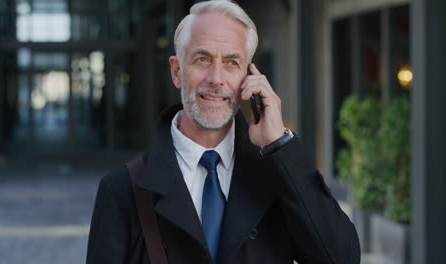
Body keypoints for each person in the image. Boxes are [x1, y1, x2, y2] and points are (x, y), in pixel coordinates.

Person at [86, 0, 360, 263]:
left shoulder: (277, 175)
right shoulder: (121, 190)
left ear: (249, 77)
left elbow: (342, 258)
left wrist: (280, 147)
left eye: (232, 62)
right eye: (202, 59)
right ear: (177, 71)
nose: (216, 78)